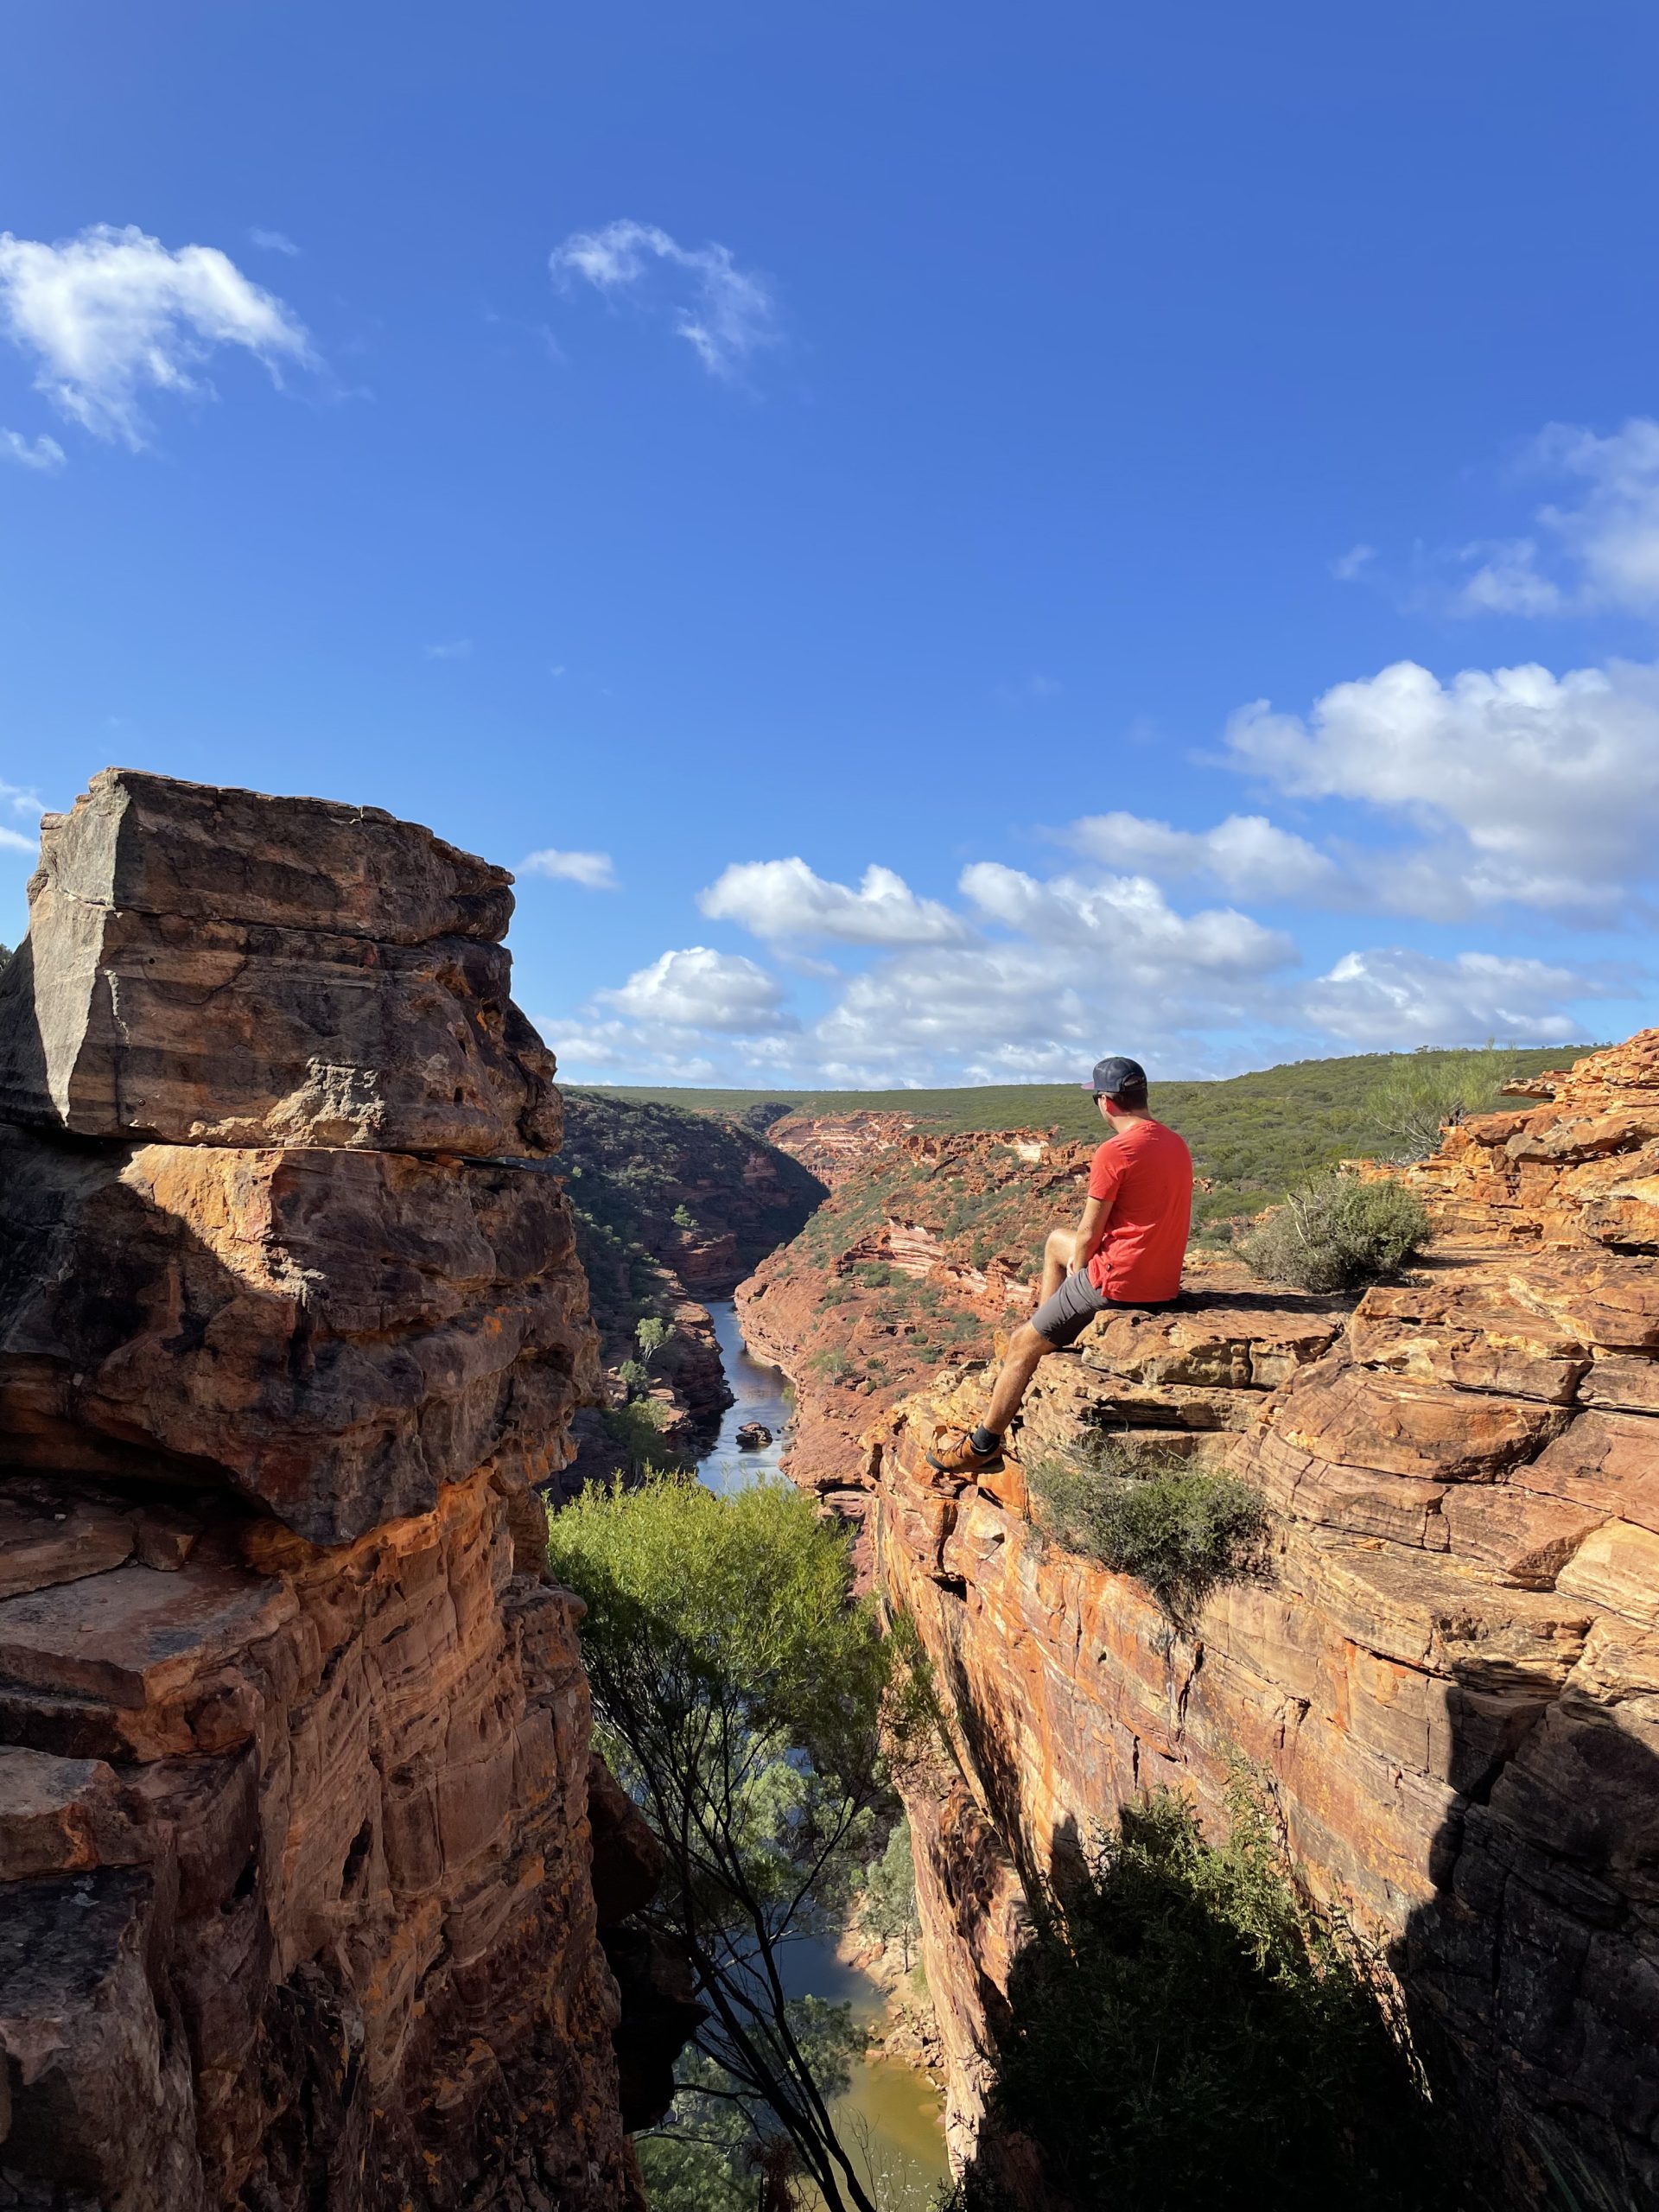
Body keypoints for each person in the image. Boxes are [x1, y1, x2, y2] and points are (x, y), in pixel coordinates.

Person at [927, 1054, 1193, 1475]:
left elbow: (1088, 1233)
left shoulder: (1115, 1150)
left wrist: (1081, 1270)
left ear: (1106, 1102)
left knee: (1020, 1345)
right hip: (1164, 1279)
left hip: (1118, 1282)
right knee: (1055, 1242)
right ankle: (1047, 1322)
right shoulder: (1175, 1142)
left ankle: (981, 1446)